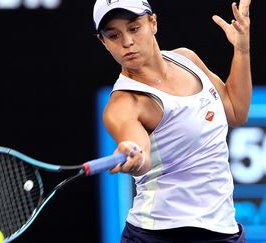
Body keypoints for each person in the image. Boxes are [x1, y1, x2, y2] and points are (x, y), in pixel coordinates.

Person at [93, 0, 252, 242]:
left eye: (134, 28)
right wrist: (133, 154)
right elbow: (140, 155)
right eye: (114, 35)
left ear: (153, 22)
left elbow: (236, 111)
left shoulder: (187, 59)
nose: (127, 42)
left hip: (223, 230)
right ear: (103, 42)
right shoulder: (124, 104)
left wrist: (242, 51)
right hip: (157, 235)